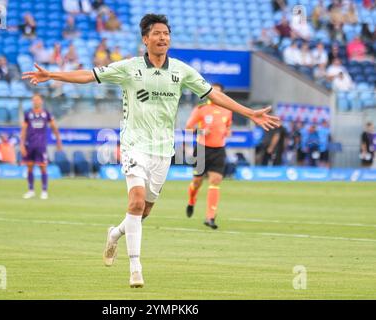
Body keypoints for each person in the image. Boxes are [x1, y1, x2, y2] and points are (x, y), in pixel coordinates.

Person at [22, 14, 280, 288]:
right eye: (157, 33)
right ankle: (136, 269)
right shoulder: (129, 68)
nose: (163, 38)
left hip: (162, 151)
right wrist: (52, 75)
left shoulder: (181, 71)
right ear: (145, 39)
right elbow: (90, 75)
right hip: (134, 146)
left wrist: (249, 112)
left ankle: (115, 233)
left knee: (143, 211)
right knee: (135, 201)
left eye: (166, 33)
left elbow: (214, 95)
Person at [184, 83, 232, 229]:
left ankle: (210, 217)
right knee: (197, 181)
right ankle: (192, 200)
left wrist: (227, 132)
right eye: (212, 92)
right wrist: (201, 132)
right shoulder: (201, 109)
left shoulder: (228, 111)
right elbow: (188, 128)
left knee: (215, 180)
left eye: (218, 93)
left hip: (219, 150)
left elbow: (228, 126)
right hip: (202, 149)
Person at [20, 93, 63, 200]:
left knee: (43, 167)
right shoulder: (28, 114)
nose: (36, 102)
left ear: (41, 101)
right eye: (34, 100)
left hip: (41, 145)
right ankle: (31, 190)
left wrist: (58, 140)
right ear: (32, 102)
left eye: (38, 100)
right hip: (29, 145)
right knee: (29, 167)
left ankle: (44, 191)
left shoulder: (46, 114)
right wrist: (21, 144)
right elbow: (24, 130)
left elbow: (54, 128)